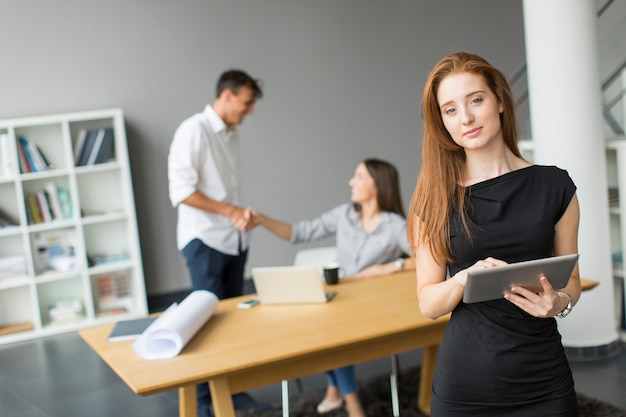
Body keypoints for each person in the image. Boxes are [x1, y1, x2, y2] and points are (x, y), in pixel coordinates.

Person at [408, 51, 581, 416]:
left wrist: (558, 304)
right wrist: (463, 280)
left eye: (476, 100)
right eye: (450, 109)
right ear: (442, 122)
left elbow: (572, 282)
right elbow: (428, 304)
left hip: (543, 379)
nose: (466, 117)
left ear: (499, 101)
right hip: (466, 386)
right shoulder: (434, 199)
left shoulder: (555, 185)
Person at [250, 158, 414, 417]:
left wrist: (390, 267)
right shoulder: (343, 215)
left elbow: (427, 257)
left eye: (359, 176)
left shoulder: (394, 225)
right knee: (327, 326)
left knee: (335, 334)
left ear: (378, 184)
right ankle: (345, 396)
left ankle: (345, 399)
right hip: (341, 301)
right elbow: (298, 233)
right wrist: (261, 219)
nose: (351, 182)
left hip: (373, 308)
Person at [167, 69, 268, 416]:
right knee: (205, 324)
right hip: (204, 241)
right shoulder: (193, 131)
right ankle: (207, 402)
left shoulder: (230, 134)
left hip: (232, 240)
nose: (249, 111)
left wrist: (239, 216)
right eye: (246, 103)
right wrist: (231, 211)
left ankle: (234, 392)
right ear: (227, 96)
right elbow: (181, 192)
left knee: (230, 322)